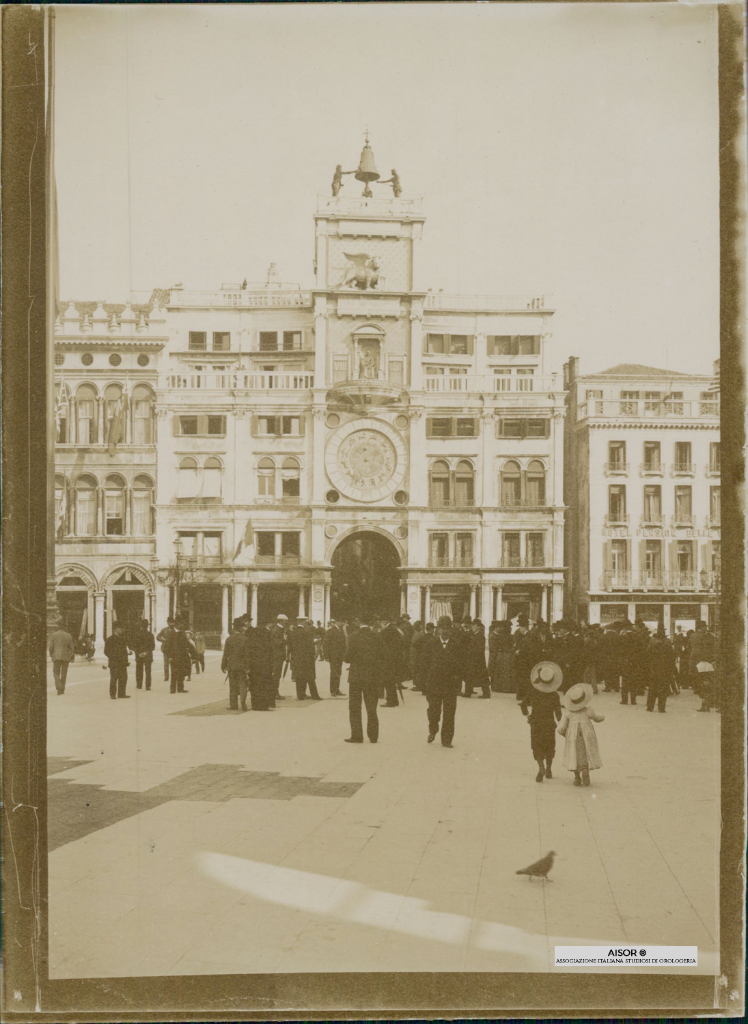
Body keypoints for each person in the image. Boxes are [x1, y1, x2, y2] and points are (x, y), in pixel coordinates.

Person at [520, 662, 564, 781]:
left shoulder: (533, 692)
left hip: (536, 723)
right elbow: (558, 713)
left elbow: (523, 704)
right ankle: (549, 768)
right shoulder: (554, 695)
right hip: (549, 724)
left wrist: (528, 715)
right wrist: (563, 723)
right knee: (550, 746)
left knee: (537, 745)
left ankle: (541, 767)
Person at [423, 616, 463, 748]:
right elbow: (424, 664)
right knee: (433, 711)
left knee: (449, 713)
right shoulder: (430, 643)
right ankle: (433, 730)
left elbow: (463, 665)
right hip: (434, 684)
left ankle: (447, 740)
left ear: (451, 630)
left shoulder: (457, 645)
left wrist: (458, 681)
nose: (445, 631)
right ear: (438, 629)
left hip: (451, 685)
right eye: (442, 628)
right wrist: (425, 683)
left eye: (447, 628)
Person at [557, 683, 605, 786]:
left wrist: (563, 733)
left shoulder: (568, 713)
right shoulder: (587, 711)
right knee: (585, 752)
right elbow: (598, 718)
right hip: (587, 734)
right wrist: (602, 716)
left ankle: (577, 777)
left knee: (574, 753)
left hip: (572, 736)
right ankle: (585, 769)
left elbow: (562, 728)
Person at [343, 621, 381, 743]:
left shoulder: (354, 636)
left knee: (354, 707)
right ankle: (373, 736)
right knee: (371, 707)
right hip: (372, 677)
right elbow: (383, 655)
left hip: (356, 677)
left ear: (359, 623)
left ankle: (357, 736)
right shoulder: (376, 636)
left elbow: (348, 657)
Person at [221, 619, 250, 711]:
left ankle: (233, 705)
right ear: (241, 628)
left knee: (233, 685)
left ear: (234, 628)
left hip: (232, 665)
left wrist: (223, 665)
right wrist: (248, 666)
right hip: (241, 666)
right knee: (243, 684)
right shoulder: (245, 639)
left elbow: (225, 654)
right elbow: (247, 655)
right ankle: (243, 702)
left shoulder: (229, 639)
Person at [688, 621, 716, 711]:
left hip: (696, 662)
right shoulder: (708, 636)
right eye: (705, 627)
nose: (706, 628)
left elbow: (690, 648)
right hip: (706, 662)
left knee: (702, 684)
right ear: (701, 627)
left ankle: (705, 704)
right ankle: (706, 704)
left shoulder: (692, 636)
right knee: (706, 683)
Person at [646, 628, 676, 713]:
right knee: (663, 688)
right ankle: (661, 708)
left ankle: (650, 707)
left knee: (652, 688)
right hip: (664, 668)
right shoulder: (667, 642)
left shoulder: (652, 641)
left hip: (654, 667)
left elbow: (647, 652)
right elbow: (671, 655)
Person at [290, 620, 321, 700]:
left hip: (297, 658)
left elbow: (291, 646)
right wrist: (314, 653)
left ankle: (300, 695)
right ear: (305, 624)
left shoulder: (293, 633)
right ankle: (315, 695)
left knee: (299, 677)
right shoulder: (307, 633)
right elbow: (310, 645)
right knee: (310, 677)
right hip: (307, 658)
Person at [379, 619, 406, 706]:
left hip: (389, 660)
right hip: (396, 659)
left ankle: (391, 701)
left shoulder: (387, 630)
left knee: (388, 680)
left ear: (384, 622)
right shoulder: (395, 629)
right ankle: (393, 700)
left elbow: (381, 643)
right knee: (391, 680)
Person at [463, 619, 490, 699]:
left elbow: (479, 649)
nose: (473, 627)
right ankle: (468, 691)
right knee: (470, 675)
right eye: (472, 625)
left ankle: (486, 693)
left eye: (474, 625)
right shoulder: (473, 635)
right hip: (472, 659)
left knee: (482, 676)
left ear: (478, 627)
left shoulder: (480, 636)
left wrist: (471, 652)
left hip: (478, 660)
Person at [104, 624, 130, 699]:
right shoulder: (110, 639)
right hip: (114, 662)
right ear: (115, 629)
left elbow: (124, 651)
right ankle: (113, 694)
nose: (122, 630)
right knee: (114, 678)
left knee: (123, 677)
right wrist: (114, 656)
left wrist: (127, 656)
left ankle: (121, 693)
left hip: (122, 662)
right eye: (121, 628)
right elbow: (106, 651)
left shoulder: (122, 639)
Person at [169, 619, 196, 694]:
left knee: (181, 672)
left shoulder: (182, 633)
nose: (182, 625)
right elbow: (167, 646)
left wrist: (193, 654)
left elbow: (187, 644)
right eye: (181, 623)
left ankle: (180, 688)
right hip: (173, 656)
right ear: (177, 624)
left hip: (182, 656)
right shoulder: (171, 633)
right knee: (174, 672)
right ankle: (172, 689)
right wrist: (169, 656)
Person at [488, 621, 515, 693]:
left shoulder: (500, 636)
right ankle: (506, 687)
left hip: (501, 656)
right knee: (506, 672)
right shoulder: (509, 636)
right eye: (509, 627)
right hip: (506, 656)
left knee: (500, 672)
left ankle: (498, 687)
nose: (511, 628)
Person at [49, 622, 75, 695]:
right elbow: (72, 648)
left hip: (56, 657)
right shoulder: (68, 635)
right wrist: (72, 657)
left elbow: (51, 647)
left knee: (56, 672)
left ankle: (58, 686)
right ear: (65, 628)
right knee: (64, 673)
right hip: (66, 657)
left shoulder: (54, 635)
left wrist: (51, 654)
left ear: (58, 627)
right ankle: (62, 689)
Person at [323, 619, 347, 696]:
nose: (343, 623)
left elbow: (343, 644)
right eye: (342, 622)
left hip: (339, 656)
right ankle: (333, 690)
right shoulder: (330, 631)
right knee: (334, 672)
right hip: (333, 655)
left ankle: (337, 689)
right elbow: (326, 643)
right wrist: (326, 655)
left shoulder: (341, 631)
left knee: (338, 672)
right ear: (337, 622)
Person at [270, 614, 289, 700]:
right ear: (281, 621)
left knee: (277, 675)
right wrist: (285, 640)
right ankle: (274, 693)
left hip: (279, 656)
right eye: (285, 621)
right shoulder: (276, 630)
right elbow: (277, 643)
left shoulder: (280, 629)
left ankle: (275, 692)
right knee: (276, 675)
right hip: (276, 656)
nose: (286, 622)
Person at [134, 618, 155, 691]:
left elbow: (135, 646)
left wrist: (138, 653)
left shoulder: (137, 634)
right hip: (148, 655)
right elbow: (152, 646)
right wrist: (146, 652)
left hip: (139, 655)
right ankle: (148, 686)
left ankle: (139, 685)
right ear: (147, 626)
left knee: (139, 670)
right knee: (148, 671)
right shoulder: (150, 635)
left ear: (141, 626)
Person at [156, 618, 177, 683]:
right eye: (169, 622)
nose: (170, 624)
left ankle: (174, 676)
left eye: (171, 623)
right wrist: (162, 640)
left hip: (173, 649)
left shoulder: (175, 631)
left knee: (173, 663)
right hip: (165, 649)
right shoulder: (164, 630)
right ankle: (166, 677)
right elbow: (158, 637)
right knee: (166, 664)